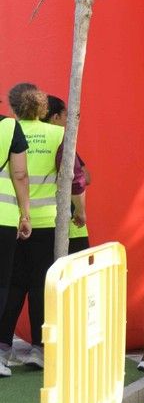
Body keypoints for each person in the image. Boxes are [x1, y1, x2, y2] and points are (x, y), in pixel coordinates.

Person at [0, 84, 82, 372]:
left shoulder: (10, 129)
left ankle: (3, 346)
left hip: (14, 217)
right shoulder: (58, 134)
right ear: (44, 108)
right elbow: (74, 177)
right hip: (47, 220)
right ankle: (39, 347)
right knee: (40, 285)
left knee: (11, 285)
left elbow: (17, 173)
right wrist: (80, 212)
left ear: (13, 106)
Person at [0, 105, 33, 379]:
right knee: (1, 284)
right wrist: (25, 214)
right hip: (3, 217)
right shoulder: (10, 127)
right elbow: (20, 174)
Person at [43, 96, 89, 254]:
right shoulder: (60, 142)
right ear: (55, 117)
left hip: (33, 224)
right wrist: (80, 211)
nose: (68, 121)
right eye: (66, 115)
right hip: (68, 223)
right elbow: (85, 177)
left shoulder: (23, 140)